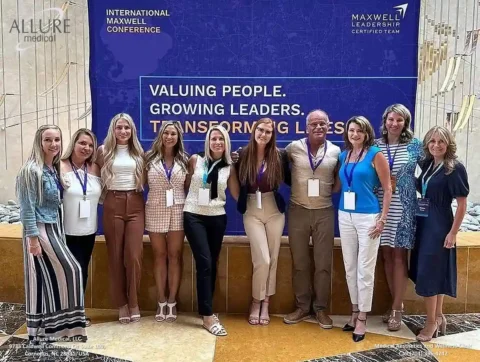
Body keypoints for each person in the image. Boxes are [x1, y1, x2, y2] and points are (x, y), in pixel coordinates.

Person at [16, 125, 87, 343]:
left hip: (54, 227)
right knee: (72, 269)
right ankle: (60, 327)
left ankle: (51, 329)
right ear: (40, 142)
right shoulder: (31, 170)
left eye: (57, 139)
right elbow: (26, 208)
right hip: (40, 230)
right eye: (48, 140)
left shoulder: (51, 168)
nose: (54, 144)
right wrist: (34, 240)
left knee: (45, 279)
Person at [282, 109, 341, 329]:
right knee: (300, 262)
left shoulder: (336, 151)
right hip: (297, 210)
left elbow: (338, 181)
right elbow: (272, 161)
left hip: (324, 211)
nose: (318, 127)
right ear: (306, 127)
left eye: (322, 124)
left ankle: (321, 309)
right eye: (314, 124)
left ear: (329, 126)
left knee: (323, 263)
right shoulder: (293, 148)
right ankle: (302, 307)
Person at [409, 126, 469, 342]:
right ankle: (439, 316)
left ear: (448, 144)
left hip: (439, 223)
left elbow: (462, 205)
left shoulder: (454, 168)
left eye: (441, 141)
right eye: (432, 141)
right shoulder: (427, 164)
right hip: (423, 221)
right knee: (434, 271)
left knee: (428, 272)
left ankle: (431, 322)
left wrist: (453, 233)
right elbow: (423, 186)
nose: (436, 145)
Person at [338, 116, 392, 342]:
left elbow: (388, 188)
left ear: (367, 132)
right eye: (351, 130)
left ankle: (362, 317)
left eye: (359, 131)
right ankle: (353, 310)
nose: (355, 134)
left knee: (365, 269)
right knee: (350, 267)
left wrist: (382, 219)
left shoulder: (375, 154)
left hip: (368, 217)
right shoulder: (343, 155)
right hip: (344, 215)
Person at [183, 125, 240, 336]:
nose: (217, 142)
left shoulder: (229, 167)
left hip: (217, 218)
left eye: (221, 139)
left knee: (212, 265)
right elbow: (186, 185)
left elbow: (236, 193)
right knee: (204, 262)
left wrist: (257, 195)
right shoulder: (195, 160)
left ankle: (208, 307)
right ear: (208, 141)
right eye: (213, 138)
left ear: (226, 143)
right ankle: (207, 316)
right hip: (194, 215)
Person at [236, 118, 291, 326]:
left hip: (274, 209)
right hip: (252, 209)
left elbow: (293, 179)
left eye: (268, 132)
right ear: (254, 130)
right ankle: (256, 301)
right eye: (260, 130)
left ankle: (266, 302)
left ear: (272, 135)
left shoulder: (279, 155)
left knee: (273, 258)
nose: (264, 134)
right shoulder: (242, 154)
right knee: (263, 259)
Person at [375, 104, 423, 331]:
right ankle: (397, 302)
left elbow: (429, 171)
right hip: (380, 206)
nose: (394, 124)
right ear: (385, 121)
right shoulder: (375, 145)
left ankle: (396, 309)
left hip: (404, 207)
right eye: (391, 119)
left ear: (406, 123)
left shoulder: (415, 146)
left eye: (400, 120)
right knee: (385, 254)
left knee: (399, 256)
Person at [96, 113, 145, 324]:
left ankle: (134, 301)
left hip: (135, 202)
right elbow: (92, 173)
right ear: (113, 130)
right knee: (115, 255)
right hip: (112, 201)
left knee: (134, 255)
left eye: (127, 127)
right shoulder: (103, 151)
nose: (123, 131)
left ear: (132, 130)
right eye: (119, 127)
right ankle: (122, 304)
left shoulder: (139, 152)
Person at [145, 121, 189, 323]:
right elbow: (140, 184)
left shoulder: (185, 160)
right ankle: (161, 300)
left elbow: (189, 187)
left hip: (178, 210)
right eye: (166, 133)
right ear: (160, 135)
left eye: (173, 133)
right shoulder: (149, 158)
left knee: (175, 255)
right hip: (154, 209)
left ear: (178, 137)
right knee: (159, 255)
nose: (169, 137)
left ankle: (172, 300)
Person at [60, 128, 102, 328]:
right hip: (66, 231)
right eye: (82, 143)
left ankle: (77, 313)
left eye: (90, 145)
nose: (86, 148)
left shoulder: (94, 168)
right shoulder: (59, 166)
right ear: (73, 144)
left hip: (88, 230)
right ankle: (63, 314)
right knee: (68, 271)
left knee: (82, 271)